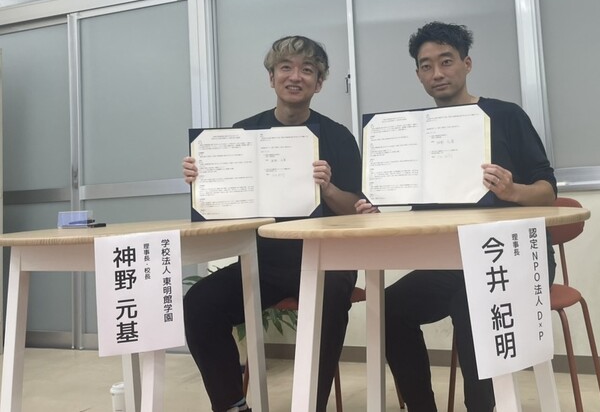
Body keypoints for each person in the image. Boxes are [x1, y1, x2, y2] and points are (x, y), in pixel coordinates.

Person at [355, 21, 557, 412]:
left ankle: (481, 407)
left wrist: (513, 191)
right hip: (450, 262)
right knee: (387, 308)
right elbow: (415, 199)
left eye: (446, 61)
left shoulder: (505, 115)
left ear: (467, 64)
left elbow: (548, 191)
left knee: (473, 302)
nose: (437, 73)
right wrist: (379, 203)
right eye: (426, 66)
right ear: (418, 75)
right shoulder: (415, 131)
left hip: (511, 258)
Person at [183, 36, 362, 412]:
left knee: (329, 299)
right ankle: (233, 405)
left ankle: (310, 406)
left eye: (307, 70)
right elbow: (227, 206)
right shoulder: (243, 133)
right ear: (271, 77)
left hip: (327, 259)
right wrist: (203, 182)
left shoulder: (338, 137)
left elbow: (357, 210)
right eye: (286, 68)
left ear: (319, 83)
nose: (295, 76)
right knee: (199, 304)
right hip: (263, 261)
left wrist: (328, 189)